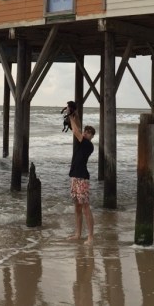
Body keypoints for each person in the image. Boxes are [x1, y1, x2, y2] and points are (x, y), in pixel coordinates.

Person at [64, 100, 96, 245]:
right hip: (74, 176)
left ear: (91, 136)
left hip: (83, 177)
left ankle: (90, 237)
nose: (86, 134)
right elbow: (77, 129)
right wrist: (75, 115)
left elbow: (76, 131)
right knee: (77, 207)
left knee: (85, 207)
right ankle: (78, 234)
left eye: (89, 133)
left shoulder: (88, 145)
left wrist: (70, 116)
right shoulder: (81, 141)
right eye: (86, 132)